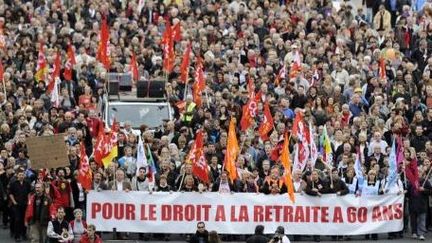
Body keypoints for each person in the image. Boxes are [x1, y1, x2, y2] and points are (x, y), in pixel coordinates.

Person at [9, 169, 31, 242]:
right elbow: (10, 194)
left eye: (22, 175)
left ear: (24, 175)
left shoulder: (27, 183)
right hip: (16, 205)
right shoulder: (13, 183)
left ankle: (24, 234)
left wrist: (29, 201)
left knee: (24, 219)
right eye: (20, 175)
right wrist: (14, 202)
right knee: (17, 220)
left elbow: (29, 193)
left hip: (25, 204)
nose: (21, 176)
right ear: (17, 175)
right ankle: (17, 236)